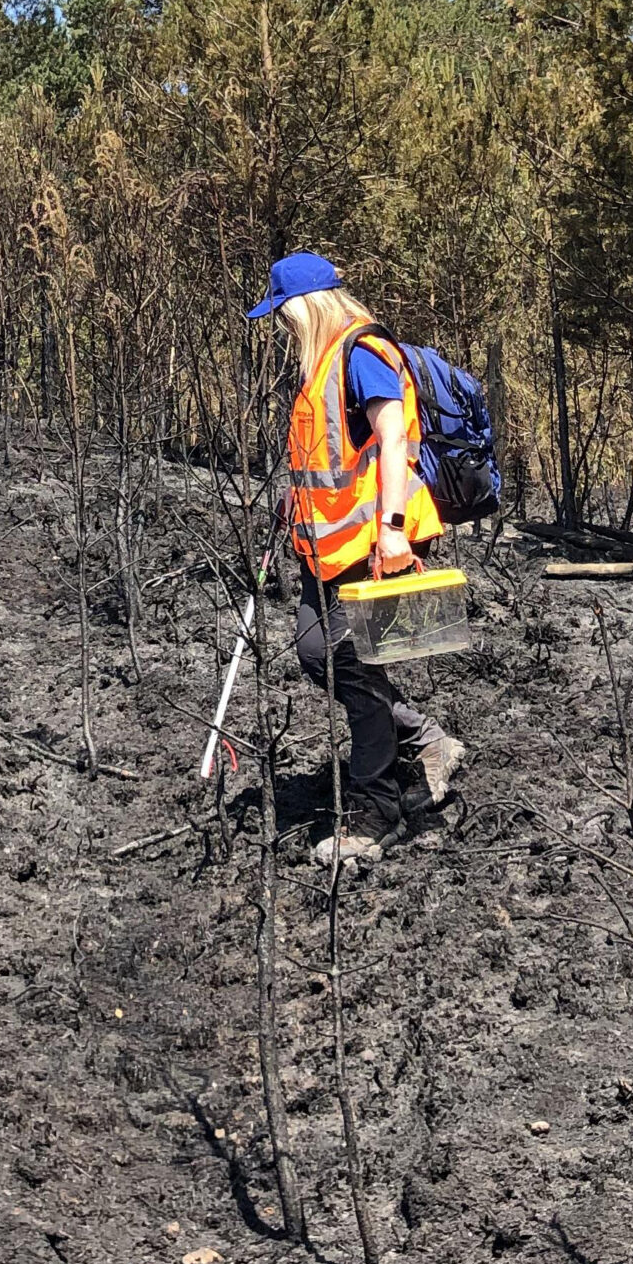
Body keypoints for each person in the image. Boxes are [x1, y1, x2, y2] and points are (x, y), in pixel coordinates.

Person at [246, 250, 465, 868]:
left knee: (352, 662)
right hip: (329, 548)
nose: (282, 327)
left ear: (307, 307)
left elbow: (393, 438)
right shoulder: (323, 368)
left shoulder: (360, 354)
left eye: (284, 314)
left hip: (374, 541)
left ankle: (378, 811)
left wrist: (393, 529)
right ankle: (424, 740)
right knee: (320, 654)